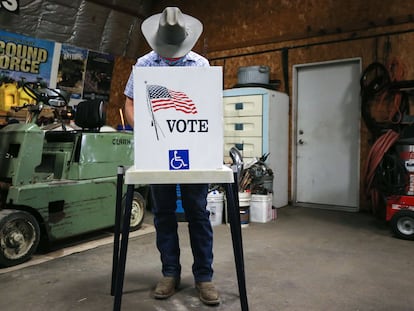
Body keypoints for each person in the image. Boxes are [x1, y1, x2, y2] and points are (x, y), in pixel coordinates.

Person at [123, 7, 220, 306]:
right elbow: (129, 104)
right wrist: (149, 134)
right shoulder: (144, 64)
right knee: (163, 213)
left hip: (193, 149)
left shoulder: (200, 64)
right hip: (157, 150)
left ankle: (204, 277)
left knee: (197, 213)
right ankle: (170, 273)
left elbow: (209, 107)